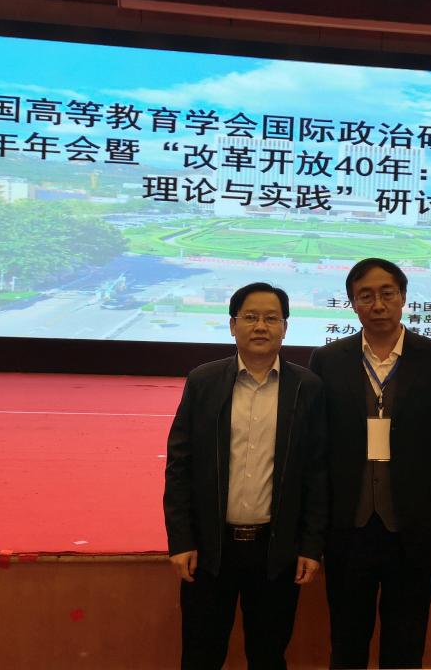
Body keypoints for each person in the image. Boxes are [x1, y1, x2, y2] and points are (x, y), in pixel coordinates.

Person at [310, 258, 431, 669]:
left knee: (406, 642)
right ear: (352, 303)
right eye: (365, 296)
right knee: (346, 642)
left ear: (402, 298)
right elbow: (317, 450)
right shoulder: (328, 361)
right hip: (348, 529)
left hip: (414, 529)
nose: (377, 304)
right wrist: (318, 525)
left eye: (387, 293)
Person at [164, 282, 328, 670]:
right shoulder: (203, 381)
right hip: (210, 548)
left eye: (271, 318)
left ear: (285, 327)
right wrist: (181, 539)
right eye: (250, 317)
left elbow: (317, 474)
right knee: (201, 655)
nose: (261, 326)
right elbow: (179, 465)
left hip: (275, 550)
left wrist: (310, 545)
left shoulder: (307, 387)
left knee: (268, 655)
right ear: (232, 325)